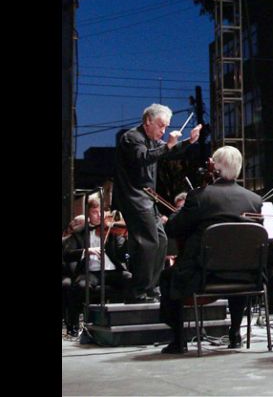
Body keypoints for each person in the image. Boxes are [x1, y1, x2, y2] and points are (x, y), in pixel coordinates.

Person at [158, 146, 263, 354]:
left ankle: (179, 340)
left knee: (167, 276)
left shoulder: (199, 196)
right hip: (245, 276)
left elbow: (173, 228)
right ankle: (235, 333)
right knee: (236, 261)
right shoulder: (254, 200)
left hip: (204, 275)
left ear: (215, 167)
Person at [113, 104, 201, 304]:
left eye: (166, 127)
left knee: (161, 240)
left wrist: (189, 141)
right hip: (133, 197)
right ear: (148, 122)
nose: (163, 131)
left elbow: (167, 152)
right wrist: (167, 145)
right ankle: (138, 291)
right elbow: (143, 158)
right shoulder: (131, 138)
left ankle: (152, 287)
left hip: (147, 198)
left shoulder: (152, 140)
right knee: (149, 241)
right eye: (161, 126)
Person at [62, 194, 132, 335]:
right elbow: (67, 254)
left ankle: (125, 321)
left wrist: (126, 237)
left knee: (129, 278)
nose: (98, 215)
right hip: (91, 272)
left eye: (101, 212)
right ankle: (74, 326)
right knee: (80, 286)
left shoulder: (112, 231)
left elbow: (121, 253)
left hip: (112, 272)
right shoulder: (80, 232)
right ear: (88, 213)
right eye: (94, 212)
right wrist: (86, 251)